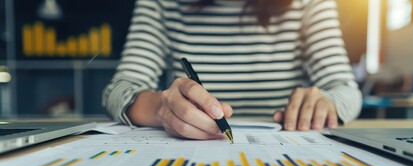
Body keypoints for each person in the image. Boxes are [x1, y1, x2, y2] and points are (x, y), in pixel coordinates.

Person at [102, 0, 362, 140]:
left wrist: (326, 104)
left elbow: (347, 90)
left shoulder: (309, 3)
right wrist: (163, 109)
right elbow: (118, 91)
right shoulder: (163, 3)